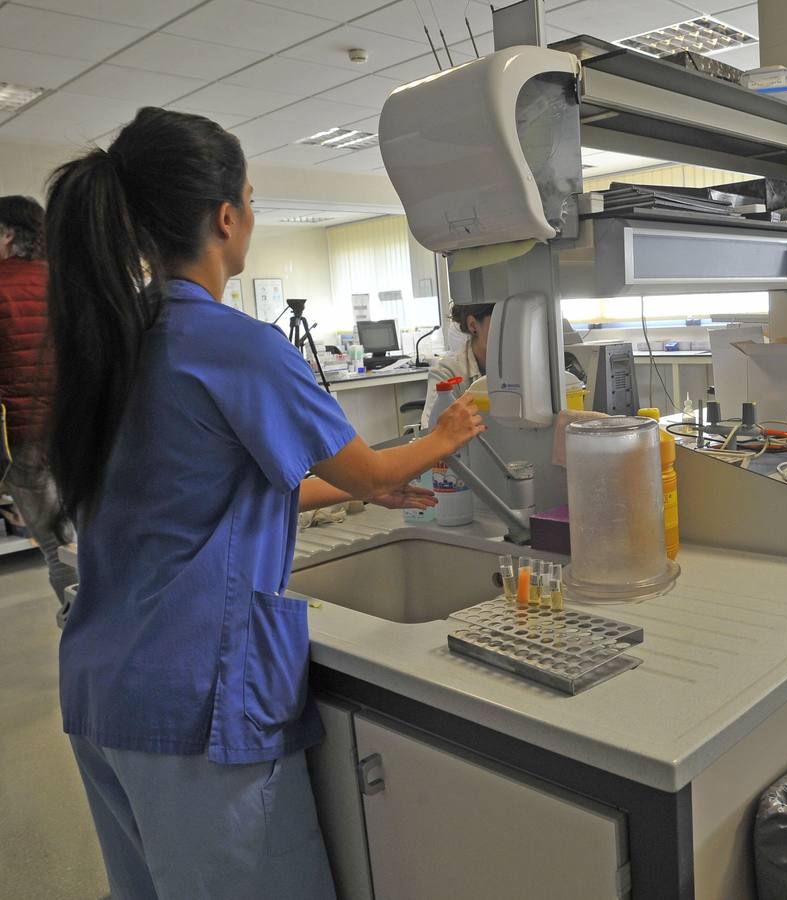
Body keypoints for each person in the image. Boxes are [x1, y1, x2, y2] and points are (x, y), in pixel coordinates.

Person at [44, 108, 484, 899]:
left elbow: (213, 489)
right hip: (193, 700)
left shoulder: (119, 335)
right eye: (250, 197)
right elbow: (368, 471)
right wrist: (456, 425)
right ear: (226, 217)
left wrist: (379, 485)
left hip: (102, 683)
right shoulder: (237, 344)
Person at [0, 195, 78, 626]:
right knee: (89, 530)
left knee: (55, 542)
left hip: (22, 438)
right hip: (76, 429)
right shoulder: (67, 283)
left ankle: (76, 618)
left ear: (8, 235)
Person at [420, 301, 494, 429]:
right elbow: (432, 432)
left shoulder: (524, 367)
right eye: (500, 323)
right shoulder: (446, 372)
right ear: (473, 325)